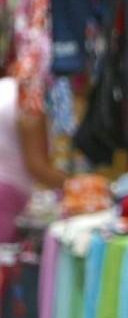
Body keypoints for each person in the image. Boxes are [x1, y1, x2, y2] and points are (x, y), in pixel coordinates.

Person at [0, 76, 67, 242]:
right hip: (7, 195)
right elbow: (36, 166)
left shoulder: (6, 87)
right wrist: (76, 185)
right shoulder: (28, 98)